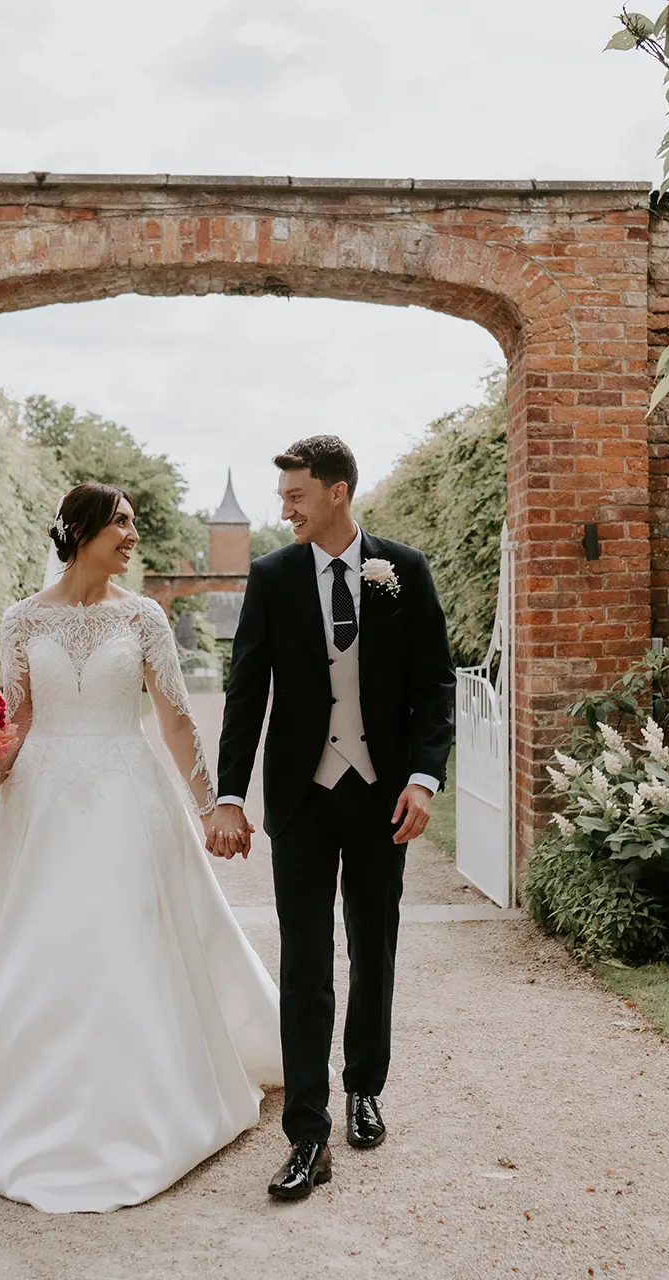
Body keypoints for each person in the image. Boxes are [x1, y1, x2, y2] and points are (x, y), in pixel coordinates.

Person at [0, 482, 282, 1213]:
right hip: (39, 801)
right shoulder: (22, 620)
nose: (133, 537)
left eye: (134, 525)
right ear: (81, 531)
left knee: (122, 939)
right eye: (123, 524)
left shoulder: (144, 617)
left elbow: (175, 724)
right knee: (37, 942)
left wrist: (212, 806)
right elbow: (13, 723)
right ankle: (22, 1086)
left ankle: (135, 1095)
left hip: (125, 794)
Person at [209, 435, 455, 1201]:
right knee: (307, 962)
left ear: (338, 492)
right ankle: (307, 1134)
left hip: (384, 796)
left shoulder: (403, 570)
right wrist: (229, 794)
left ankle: (364, 1087)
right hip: (303, 799)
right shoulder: (273, 576)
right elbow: (247, 691)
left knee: (373, 946)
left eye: (295, 496)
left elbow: (435, 684)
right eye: (283, 496)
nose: (284, 509)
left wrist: (421, 779)